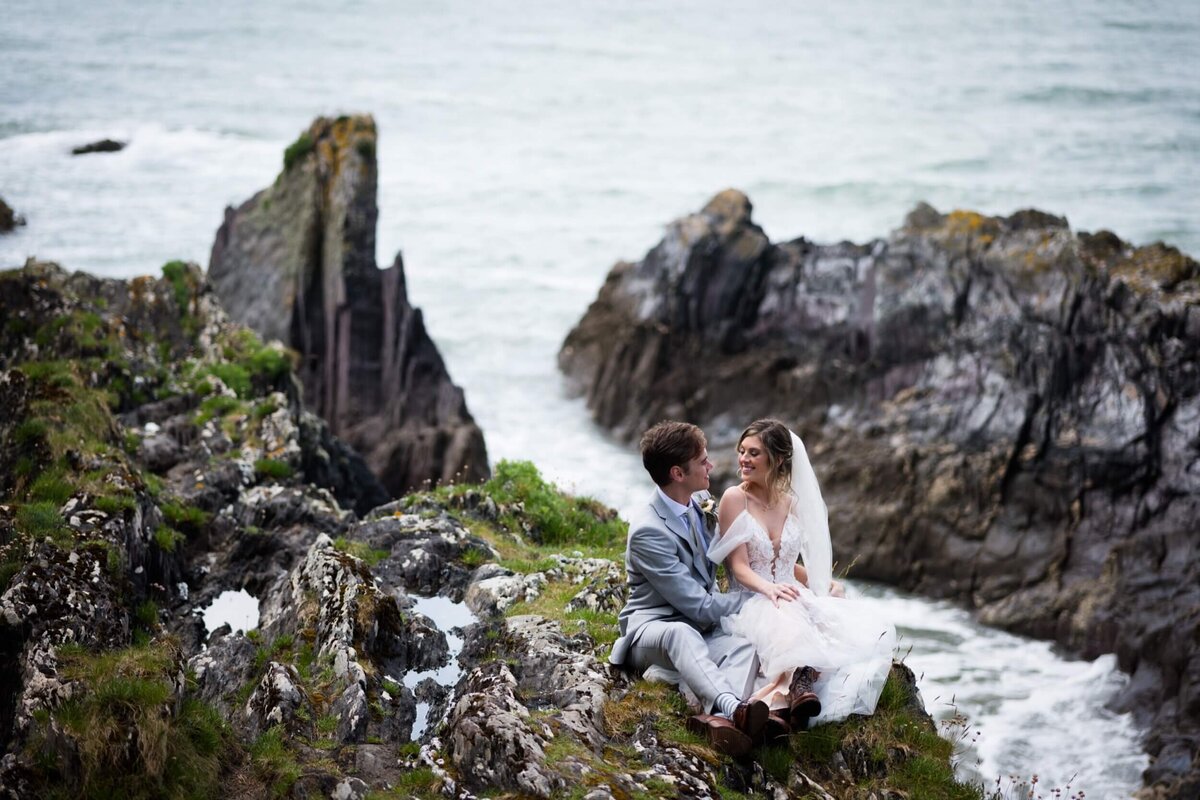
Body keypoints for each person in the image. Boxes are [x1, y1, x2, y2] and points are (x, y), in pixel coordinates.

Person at [707, 418, 896, 731]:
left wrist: (818, 582)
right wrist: (769, 589)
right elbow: (740, 566)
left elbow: (783, 559)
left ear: (777, 459)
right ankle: (791, 692)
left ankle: (792, 698)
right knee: (784, 614)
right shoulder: (734, 498)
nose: (743, 459)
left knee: (825, 618)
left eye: (754, 453)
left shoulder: (790, 503)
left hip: (790, 591)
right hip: (753, 595)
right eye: (742, 451)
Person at [610, 421, 786, 756]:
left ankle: (718, 723)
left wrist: (791, 582)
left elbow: (746, 552)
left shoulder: (701, 499)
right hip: (653, 629)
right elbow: (699, 607)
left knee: (748, 644)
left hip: (700, 626)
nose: (712, 465)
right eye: (703, 461)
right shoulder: (649, 532)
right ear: (678, 473)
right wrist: (756, 596)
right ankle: (732, 709)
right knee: (680, 635)